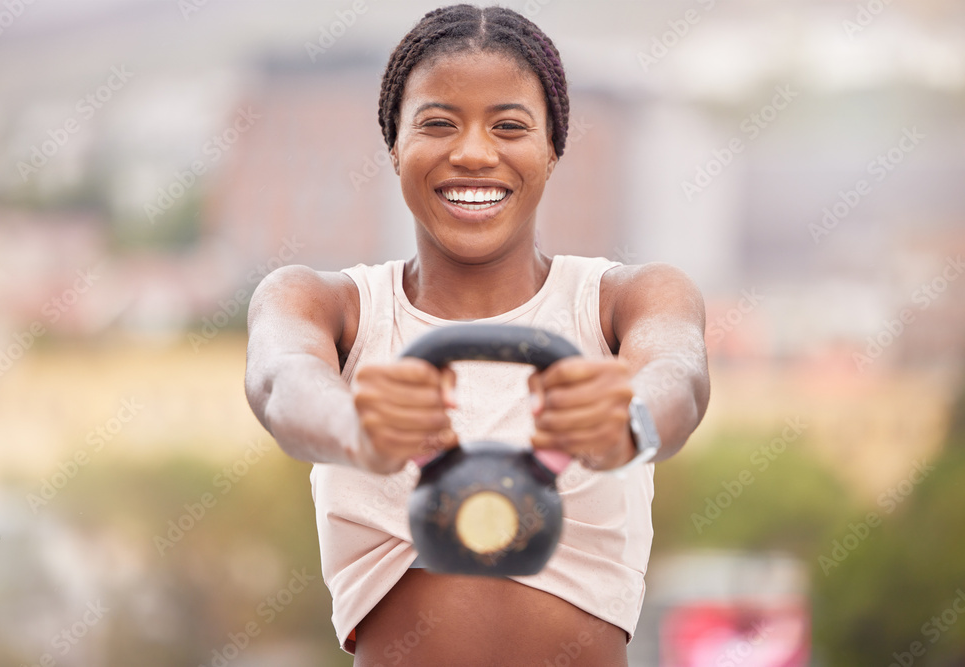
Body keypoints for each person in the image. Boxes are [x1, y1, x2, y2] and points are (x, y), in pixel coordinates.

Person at [244, 4, 710, 665]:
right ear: (394, 142)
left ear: (553, 147)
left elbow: (680, 379)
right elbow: (281, 382)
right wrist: (356, 425)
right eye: (437, 124)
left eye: (509, 126)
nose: (472, 153)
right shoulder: (323, 303)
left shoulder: (627, 299)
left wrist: (628, 421)